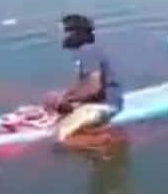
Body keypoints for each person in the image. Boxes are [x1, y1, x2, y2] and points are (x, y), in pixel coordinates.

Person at [48, 14, 124, 142]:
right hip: (101, 102)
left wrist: (69, 99)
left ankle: (103, 144)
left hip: (105, 106)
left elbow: (94, 87)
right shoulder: (84, 51)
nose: (61, 37)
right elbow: (84, 83)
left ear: (76, 33)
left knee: (59, 135)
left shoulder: (87, 51)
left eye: (65, 33)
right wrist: (65, 96)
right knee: (52, 101)